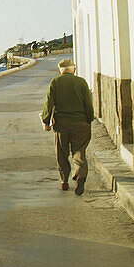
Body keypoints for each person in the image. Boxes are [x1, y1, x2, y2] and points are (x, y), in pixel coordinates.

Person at [41, 58, 95, 195]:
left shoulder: (56, 82)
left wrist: (46, 121)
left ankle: (64, 181)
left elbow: (49, 104)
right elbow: (88, 104)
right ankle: (80, 175)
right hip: (80, 123)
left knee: (62, 153)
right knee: (79, 151)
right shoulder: (81, 82)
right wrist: (89, 118)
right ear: (74, 70)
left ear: (60, 71)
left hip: (61, 124)